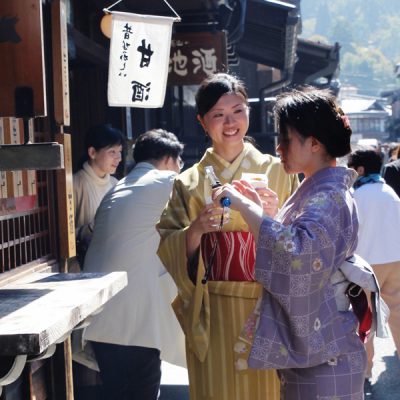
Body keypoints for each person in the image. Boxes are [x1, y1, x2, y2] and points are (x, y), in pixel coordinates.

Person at [211, 87, 367, 399]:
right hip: (323, 349)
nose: (278, 147)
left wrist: (243, 204)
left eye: (286, 138)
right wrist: (268, 213)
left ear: (314, 143)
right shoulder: (319, 191)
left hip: (326, 359)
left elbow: (296, 257)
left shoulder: (326, 196)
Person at [157, 73, 298, 400]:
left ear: (249, 112)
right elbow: (168, 242)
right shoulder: (188, 181)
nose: (230, 122)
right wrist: (196, 230)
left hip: (270, 304)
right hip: (214, 307)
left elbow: (302, 239)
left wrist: (274, 219)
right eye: (218, 115)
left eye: (238, 111)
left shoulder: (280, 171)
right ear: (202, 122)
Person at [83, 129, 186, 400]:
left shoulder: (118, 188)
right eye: (180, 162)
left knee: (116, 392)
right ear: (168, 159)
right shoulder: (167, 181)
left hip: (101, 316)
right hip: (137, 319)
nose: (180, 168)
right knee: (143, 391)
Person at [347, 148, 400, 381]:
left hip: (366, 265)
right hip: (395, 260)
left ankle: (366, 370)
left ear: (359, 170)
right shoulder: (390, 193)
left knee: (364, 319)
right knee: (398, 315)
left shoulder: (356, 196)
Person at [73, 123, 125, 266]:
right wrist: (90, 228)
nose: (119, 158)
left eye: (119, 151)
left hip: (110, 261)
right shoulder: (75, 184)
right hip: (82, 267)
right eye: (112, 152)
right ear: (92, 153)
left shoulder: (116, 184)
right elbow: (64, 236)